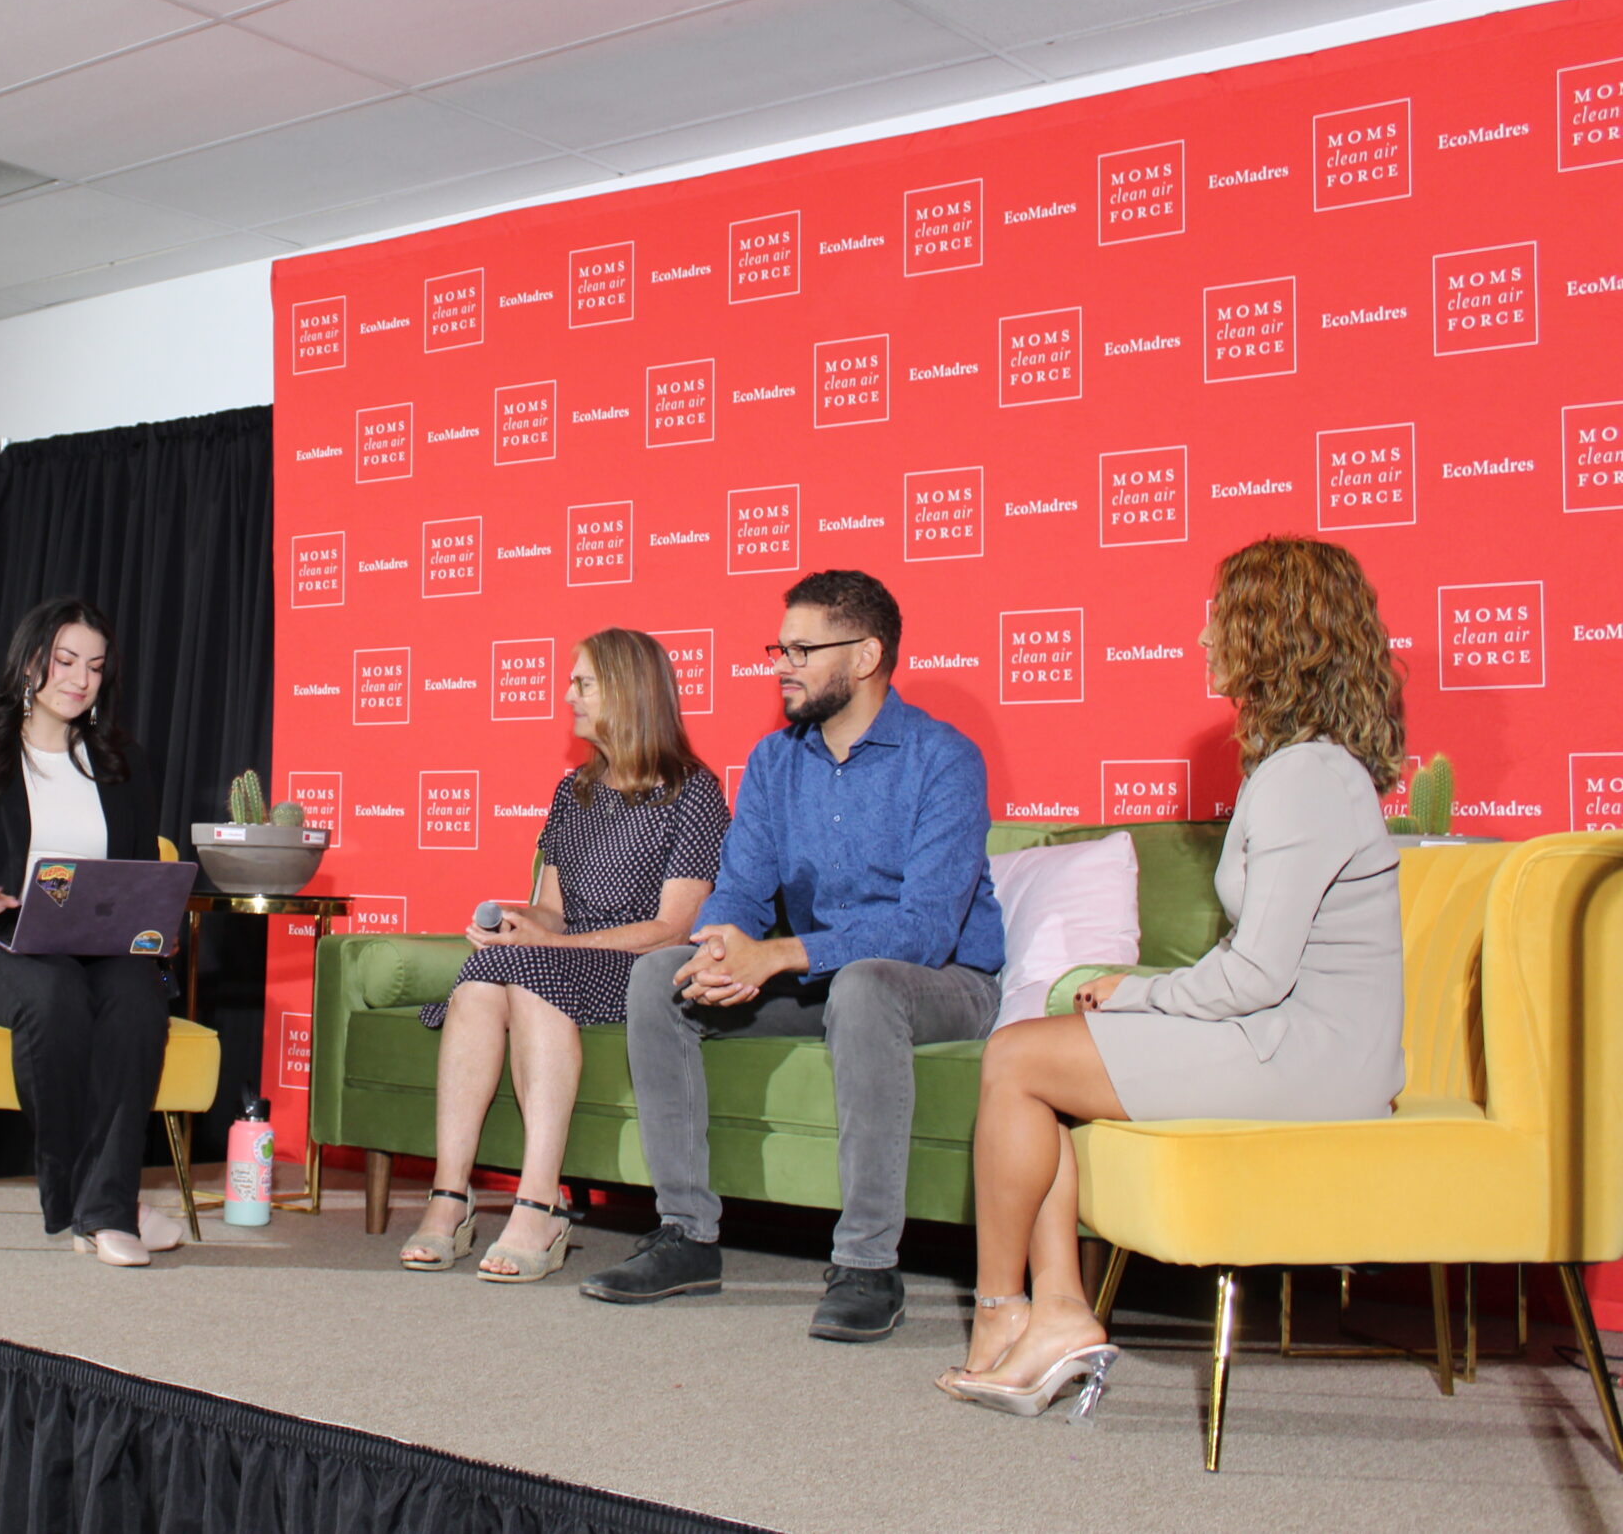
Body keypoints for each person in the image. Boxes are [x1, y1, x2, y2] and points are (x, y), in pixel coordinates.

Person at [942, 536, 1406, 1417]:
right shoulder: (1303, 769)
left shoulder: (1303, 777)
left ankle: (1008, 1317)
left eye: (1218, 616)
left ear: (1272, 633)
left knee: (1016, 1059)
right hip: (1295, 1040)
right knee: (1036, 1062)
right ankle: (1060, 1313)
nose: (1201, 636)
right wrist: (1138, 989)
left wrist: (1138, 988)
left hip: (1305, 1056)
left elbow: (1259, 975)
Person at [583, 570, 1004, 1342]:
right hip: (819, 981)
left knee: (870, 984)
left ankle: (869, 1263)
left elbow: (925, 931)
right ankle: (686, 1235)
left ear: (868, 654)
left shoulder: (944, 758)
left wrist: (778, 952)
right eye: (781, 646)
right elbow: (741, 889)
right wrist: (717, 945)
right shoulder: (776, 762)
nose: (782, 663)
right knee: (658, 976)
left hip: (941, 982)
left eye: (804, 648)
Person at [401, 629, 727, 1282]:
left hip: (636, 967)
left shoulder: (693, 791)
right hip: (564, 959)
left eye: (584, 684)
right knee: (486, 974)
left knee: (519, 968)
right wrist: (520, 922)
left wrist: (551, 942)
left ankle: (538, 1200)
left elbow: (672, 927)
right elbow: (549, 906)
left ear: (628, 692)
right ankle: (450, 1193)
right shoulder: (571, 790)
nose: (568, 695)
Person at [0, 598, 182, 1268]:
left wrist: (153, 924)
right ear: (30, 662)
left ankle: (104, 1205)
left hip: (95, 945)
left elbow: (139, 868)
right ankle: (97, 1204)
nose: (81, 680)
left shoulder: (121, 761)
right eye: (66, 660)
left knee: (139, 994)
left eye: (97, 667)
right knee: (52, 993)